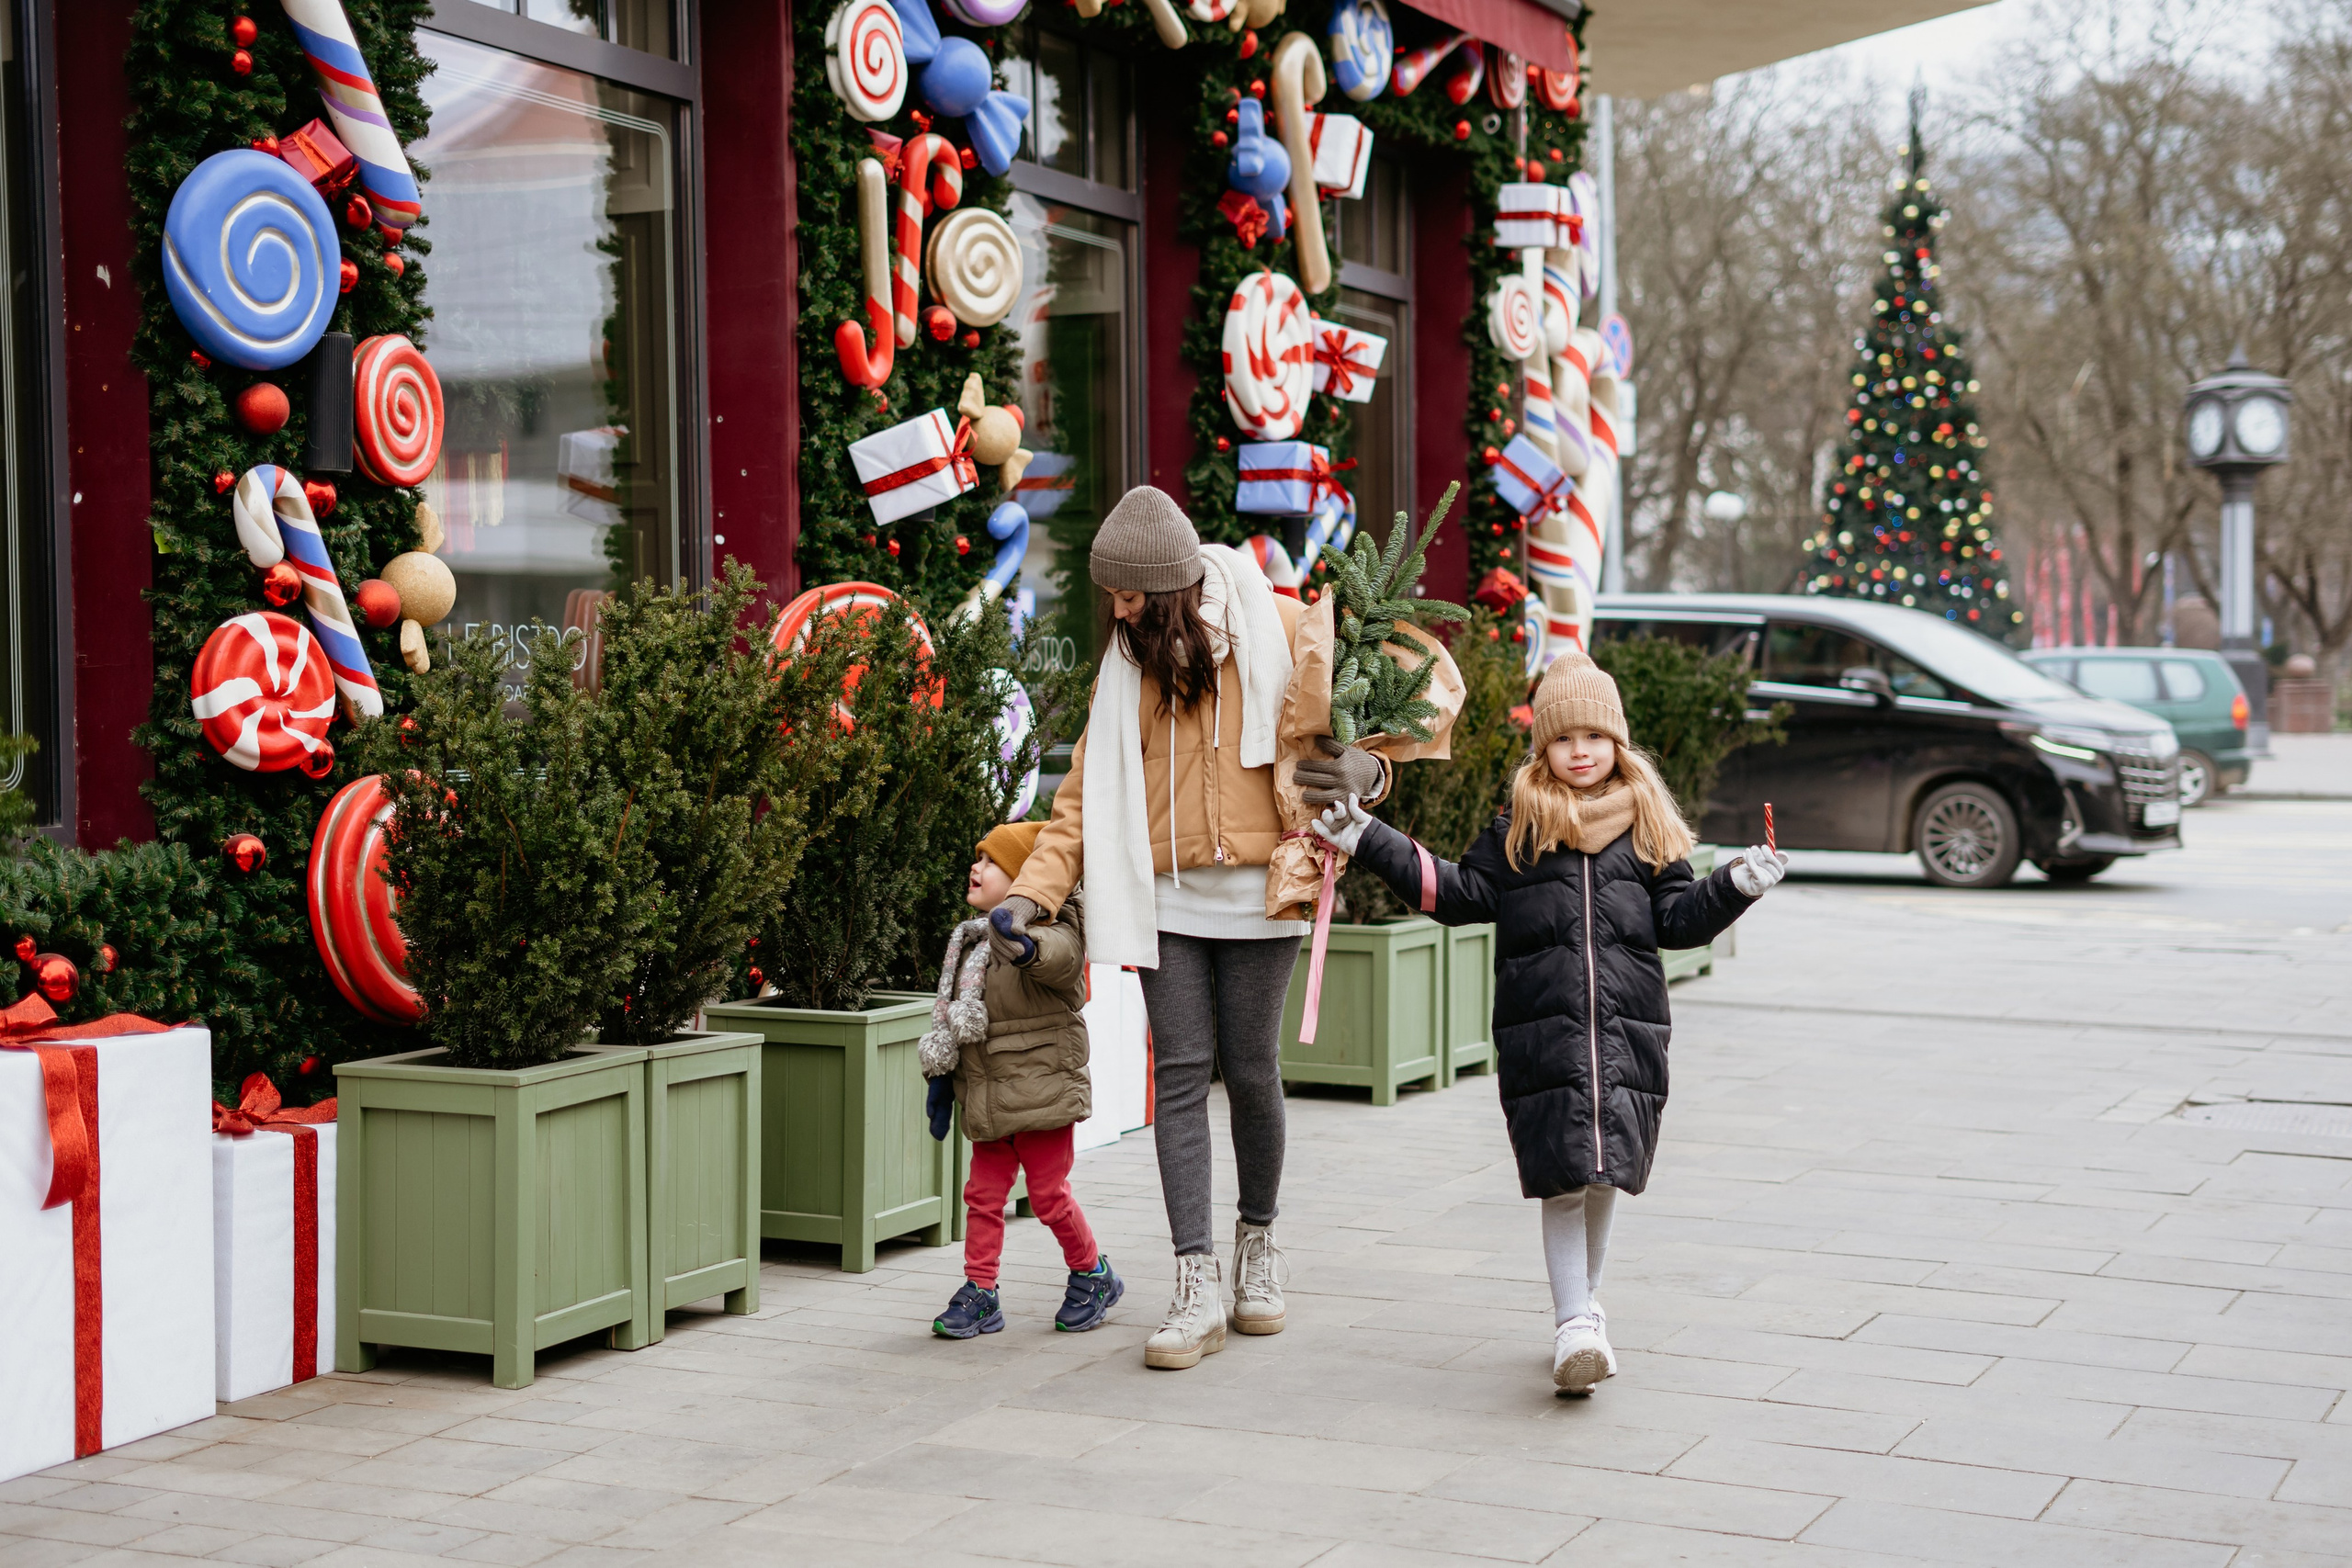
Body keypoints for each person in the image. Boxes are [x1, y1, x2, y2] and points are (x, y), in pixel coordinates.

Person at [988, 485, 1403, 1370]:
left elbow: (1365, 727)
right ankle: (1194, 1281)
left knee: (1250, 1070)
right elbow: (1081, 800)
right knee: (1179, 1074)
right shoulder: (1128, 664)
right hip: (1164, 896)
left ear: (1172, 587)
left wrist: (1368, 773)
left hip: (1265, 889)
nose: (1118, 611)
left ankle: (1259, 1243)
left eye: (1129, 595)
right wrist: (1031, 894)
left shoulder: (1280, 626)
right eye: (1111, 597)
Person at [1311, 649, 1787, 1393]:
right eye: (1564, 738)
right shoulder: (1520, 828)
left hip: (1629, 1035)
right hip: (1544, 1035)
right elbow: (1456, 892)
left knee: (1604, 1174)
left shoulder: (1647, 830)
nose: (1580, 751)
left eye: (1594, 736)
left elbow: (1677, 919)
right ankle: (1574, 1323)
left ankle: (1583, 1310)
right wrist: (1371, 839)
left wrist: (1735, 885)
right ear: (1544, 747)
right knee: (1565, 1177)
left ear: (1616, 741)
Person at [920, 820, 1124, 1338]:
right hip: (989, 1098)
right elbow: (962, 1024)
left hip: (1042, 1094)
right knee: (982, 1197)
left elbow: (1060, 961)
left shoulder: (1053, 931)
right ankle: (980, 1290)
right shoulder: (972, 945)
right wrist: (944, 1079)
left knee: (1049, 1195)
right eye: (978, 857)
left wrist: (1024, 944)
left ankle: (1093, 1273)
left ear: (1024, 880)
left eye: (992, 861)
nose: (977, 866)